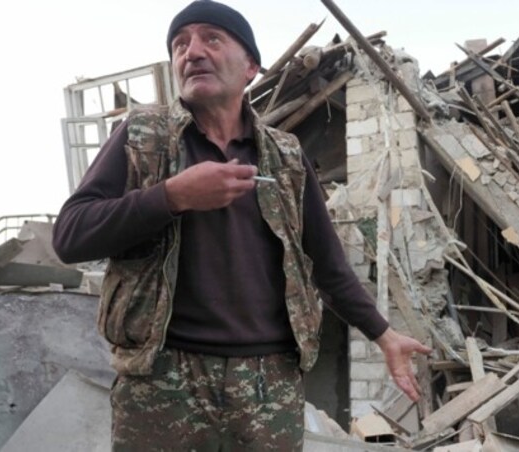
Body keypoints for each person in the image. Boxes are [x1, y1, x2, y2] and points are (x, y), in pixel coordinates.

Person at [52, 0, 431, 450]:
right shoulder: (141, 136)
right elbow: (70, 235)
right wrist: (171, 197)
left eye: (212, 38)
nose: (191, 52)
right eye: (180, 44)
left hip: (268, 383)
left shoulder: (286, 157)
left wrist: (383, 335)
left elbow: (327, 265)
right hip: (163, 379)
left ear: (250, 66)